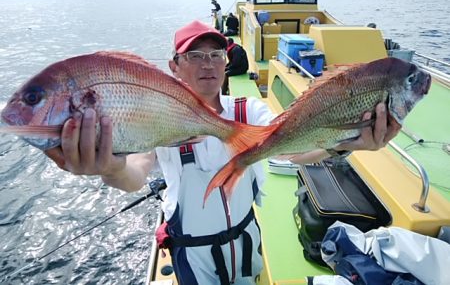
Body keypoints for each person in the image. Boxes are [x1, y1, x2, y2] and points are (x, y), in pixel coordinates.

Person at [44, 20, 401, 285]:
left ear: (226, 64)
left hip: (247, 244)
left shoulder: (249, 112)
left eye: (216, 55)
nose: (208, 64)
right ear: (175, 67)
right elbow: (135, 172)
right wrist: (109, 168)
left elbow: (294, 150)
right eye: (195, 56)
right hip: (193, 256)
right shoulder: (158, 120)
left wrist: (344, 144)